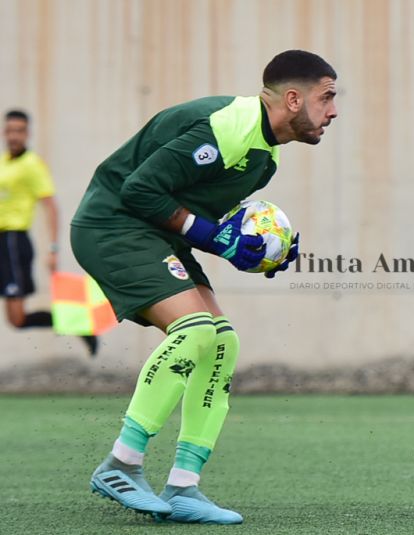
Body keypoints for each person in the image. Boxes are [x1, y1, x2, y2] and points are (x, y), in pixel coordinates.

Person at [72, 49, 338, 524]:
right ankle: (121, 463)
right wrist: (217, 239)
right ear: (294, 99)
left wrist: (253, 251)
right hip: (112, 226)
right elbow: (139, 191)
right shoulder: (227, 126)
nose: (333, 111)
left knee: (221, 344)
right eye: (327, 97)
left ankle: (184, 487)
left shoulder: (266, 157)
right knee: (193, 331)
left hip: (154, 233)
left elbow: (195, 216)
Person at [0, 110, 97, 355]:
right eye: (10, 130)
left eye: (19, 131)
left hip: (13, 241)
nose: (14, 136)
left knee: (17, 319)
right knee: (15, 320)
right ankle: (75, 324)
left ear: (27, 133)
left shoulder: (32, 165)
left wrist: (53, 248)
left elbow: (50, 206)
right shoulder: (4, 162)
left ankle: (78, 325)